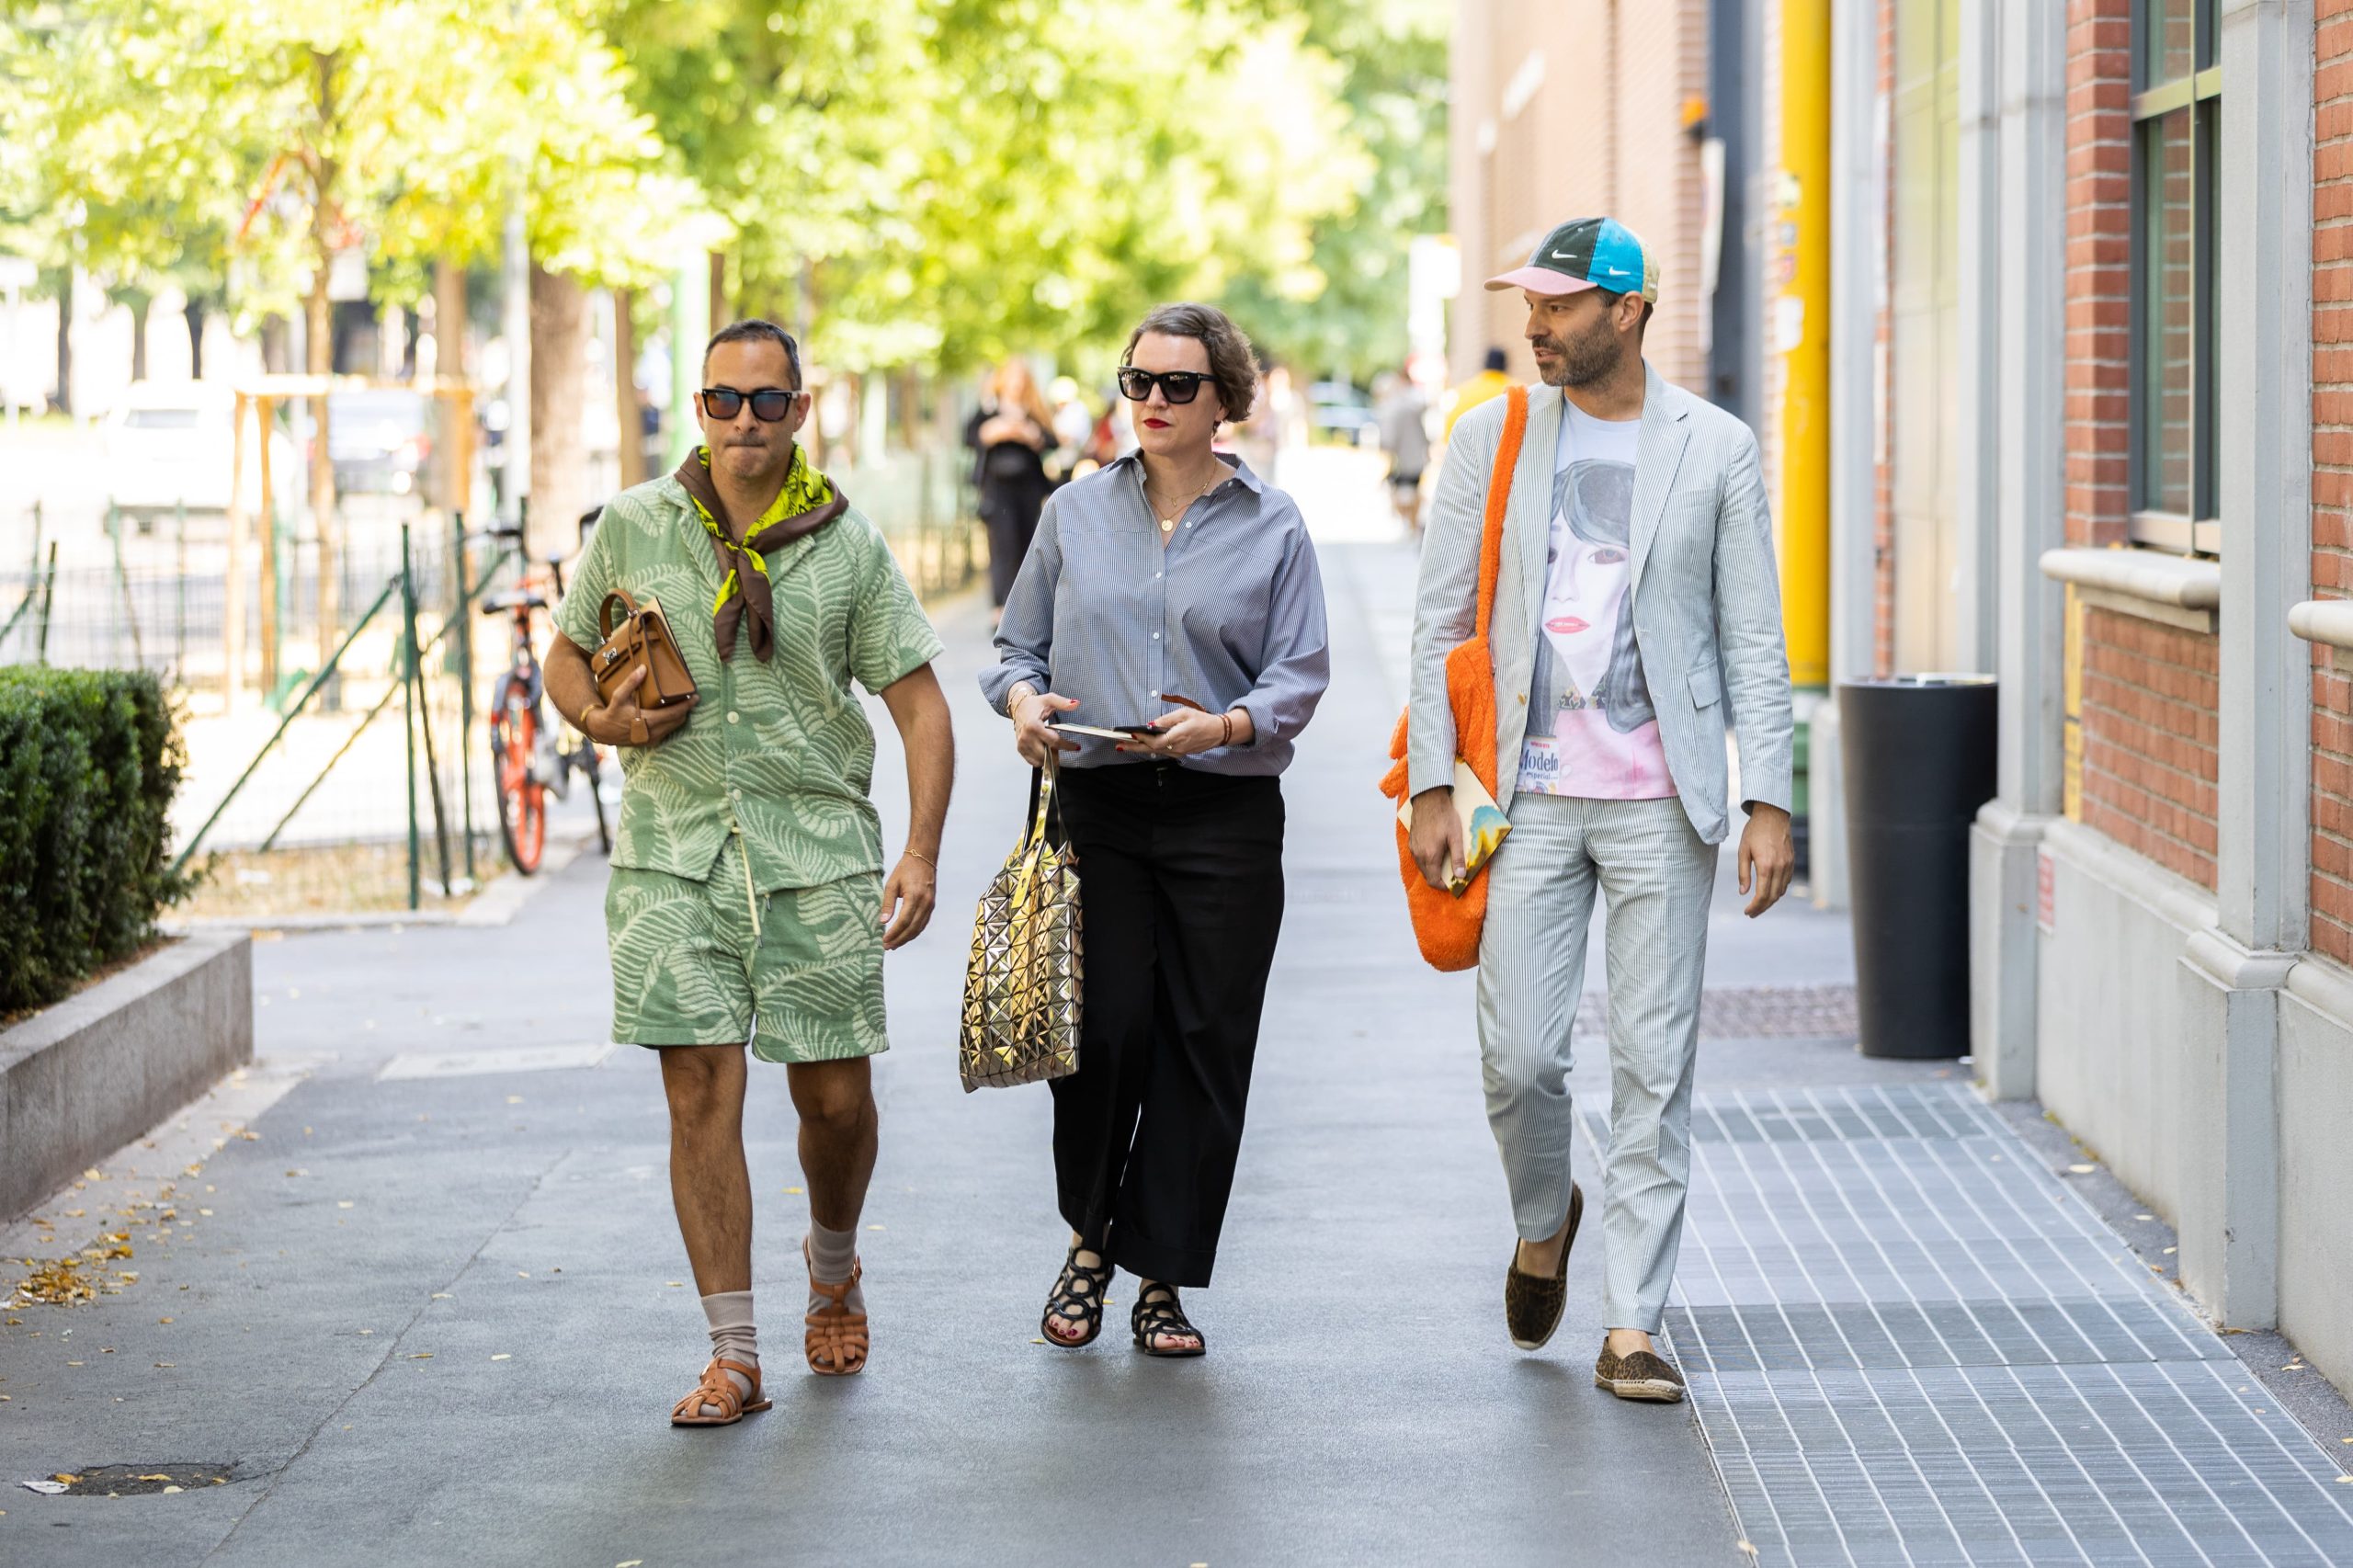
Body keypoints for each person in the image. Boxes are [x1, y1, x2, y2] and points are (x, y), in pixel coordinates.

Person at [1404, 218, 1794, 1403]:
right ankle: (1542, 1217)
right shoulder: (1495, 435)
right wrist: (1431, 777)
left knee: (1652, 1062)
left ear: (1626, 311)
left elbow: (1751, 635)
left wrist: (1765, 792)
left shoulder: (1714, 448)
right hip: (1515, 797)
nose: (1537, 324)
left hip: (1660, 801)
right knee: (1520, 1056)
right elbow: (1441, 621)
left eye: (1562, 305)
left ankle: (1631, 1320)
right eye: (1531, 303)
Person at [544, 319, 954, 1426]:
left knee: (832, 1096)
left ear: (799, 412)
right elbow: (567, 649)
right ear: (701, 408)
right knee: (698, 1092)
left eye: (765, 403)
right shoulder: (634, 523)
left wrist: (919, 851)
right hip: (674, 856)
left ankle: (834, 1261)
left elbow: (919, 705)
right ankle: (734, 1353)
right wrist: (600, 718)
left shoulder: (847, 545)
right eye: (722, 401)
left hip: (815, 855)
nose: (742, 423)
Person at [981, 301, 1330, 1358]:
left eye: (1179, 384)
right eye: (1139, 381)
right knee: (1101, 1034)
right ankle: (1091, 1237)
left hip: (1224, 807)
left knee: (1203, 1043)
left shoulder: (1274, 526)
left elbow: (1299, 673)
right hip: (1099, 801)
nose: (1155, 402)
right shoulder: (1072, 513)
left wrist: (1223, 723)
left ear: (1224, 398)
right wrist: (1023, 705)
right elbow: (1013, 647)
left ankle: (1161, 1275)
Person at [965, 358, 1057, 611]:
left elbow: (1052, 440)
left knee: (1028, 544)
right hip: (997, 488)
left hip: (1028, 487)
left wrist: (1030, 434)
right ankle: (1000, 606)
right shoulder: (989, 411)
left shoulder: (1033, 412)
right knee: (1002, 545)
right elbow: (970, 436)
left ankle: (1023, 606)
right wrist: (995, 431)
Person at [1373, 369, 1432, 531]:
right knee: (1412, 491)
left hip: (1401, 458)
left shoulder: (1391, 408)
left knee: (1403, 493)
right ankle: (1412, 525)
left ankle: (1410, 525)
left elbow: (1388, 439)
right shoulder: (1410, 403)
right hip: (1416, 456)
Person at [1445, 346, 1514, 442]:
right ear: (1506, 365)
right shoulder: (1517, 390)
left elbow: (1450, 428)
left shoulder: (1464, 391)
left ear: (1485, 364)